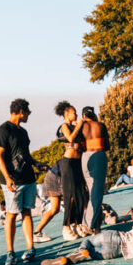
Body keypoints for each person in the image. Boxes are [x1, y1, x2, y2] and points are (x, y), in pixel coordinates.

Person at [0, 98, 47, 265]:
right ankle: (10, 252)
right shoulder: (3, 130)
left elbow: (26, 155)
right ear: (21, 111)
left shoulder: (23, 132)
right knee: (11, 214)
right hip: (13, 181)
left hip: (28, 178)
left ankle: (30, 248)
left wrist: (37, 163)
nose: (29, 116)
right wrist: (8, 177)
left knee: (27, 212)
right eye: (28, 112)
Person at [41, 218, 133, 265]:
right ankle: (79, 256)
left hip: (116, 237)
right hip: (119, 251)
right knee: (92, 254)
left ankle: (81, 250)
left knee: (89, 241)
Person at [56, 101, 88, 240]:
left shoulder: (76, 126)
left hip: (78, 161)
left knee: (81, 194)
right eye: (73, 112)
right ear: (66, 114)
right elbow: (70, 138)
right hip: (68, 162)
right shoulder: (64, 126)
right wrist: (79, 126)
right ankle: (66, 227)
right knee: (70, 196)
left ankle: (78, 223)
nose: (76, 114)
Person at [80, 107, 109, 232]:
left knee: (91, 190)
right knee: (96, 194)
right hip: (98, 155)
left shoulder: (81, 127)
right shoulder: (100, 125)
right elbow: (107, 145)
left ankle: (89, 223)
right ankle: (89, 223)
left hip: (85, 157)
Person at [34, 160, 63, 242]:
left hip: (57, 176)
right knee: (55, 208)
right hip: (55, 178)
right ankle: (37, 232)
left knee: (56, 209)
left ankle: (74, 225)